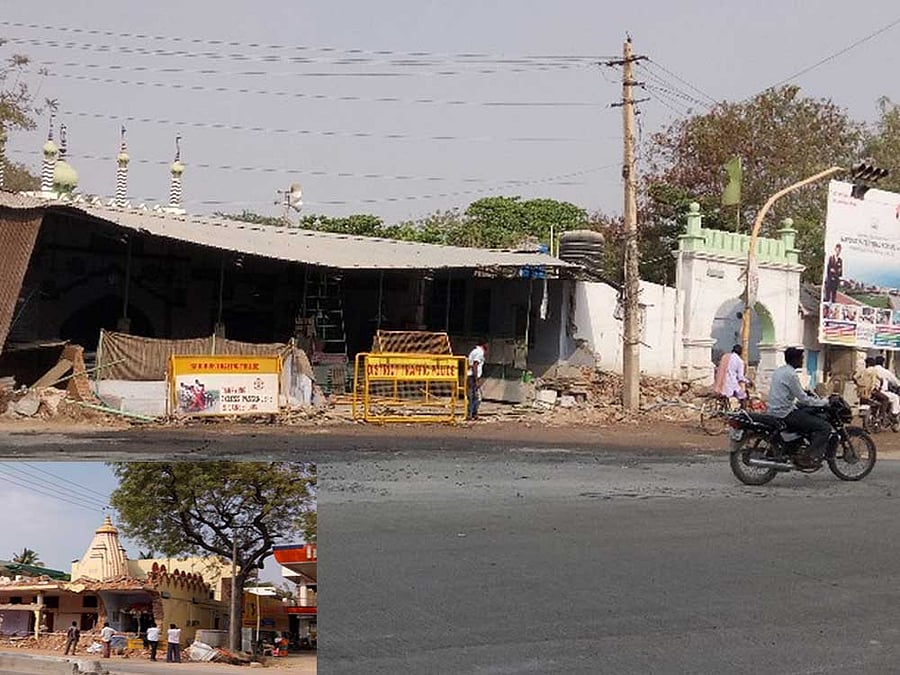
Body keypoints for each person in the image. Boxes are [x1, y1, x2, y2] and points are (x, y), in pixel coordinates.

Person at [767, 346, 830, 468]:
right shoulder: (791, 375)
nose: (802, 361)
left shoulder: (780, 371)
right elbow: (803, 398)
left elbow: (796, 393)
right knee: (824, 427)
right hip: (784, 413)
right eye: (801, 358)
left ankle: (798, 445)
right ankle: (807, 456)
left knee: (805, 413)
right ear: (794, 359)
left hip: (776, 409)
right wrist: (823, 402)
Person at [466, 341, 488, 420]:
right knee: (476, 397)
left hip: (471, 376)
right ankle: (471, 414)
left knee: (473, 396)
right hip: (473, 377)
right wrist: (476, 380)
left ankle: (473, 414)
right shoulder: (479, 353)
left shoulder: (474, 351)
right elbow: (475, 365)